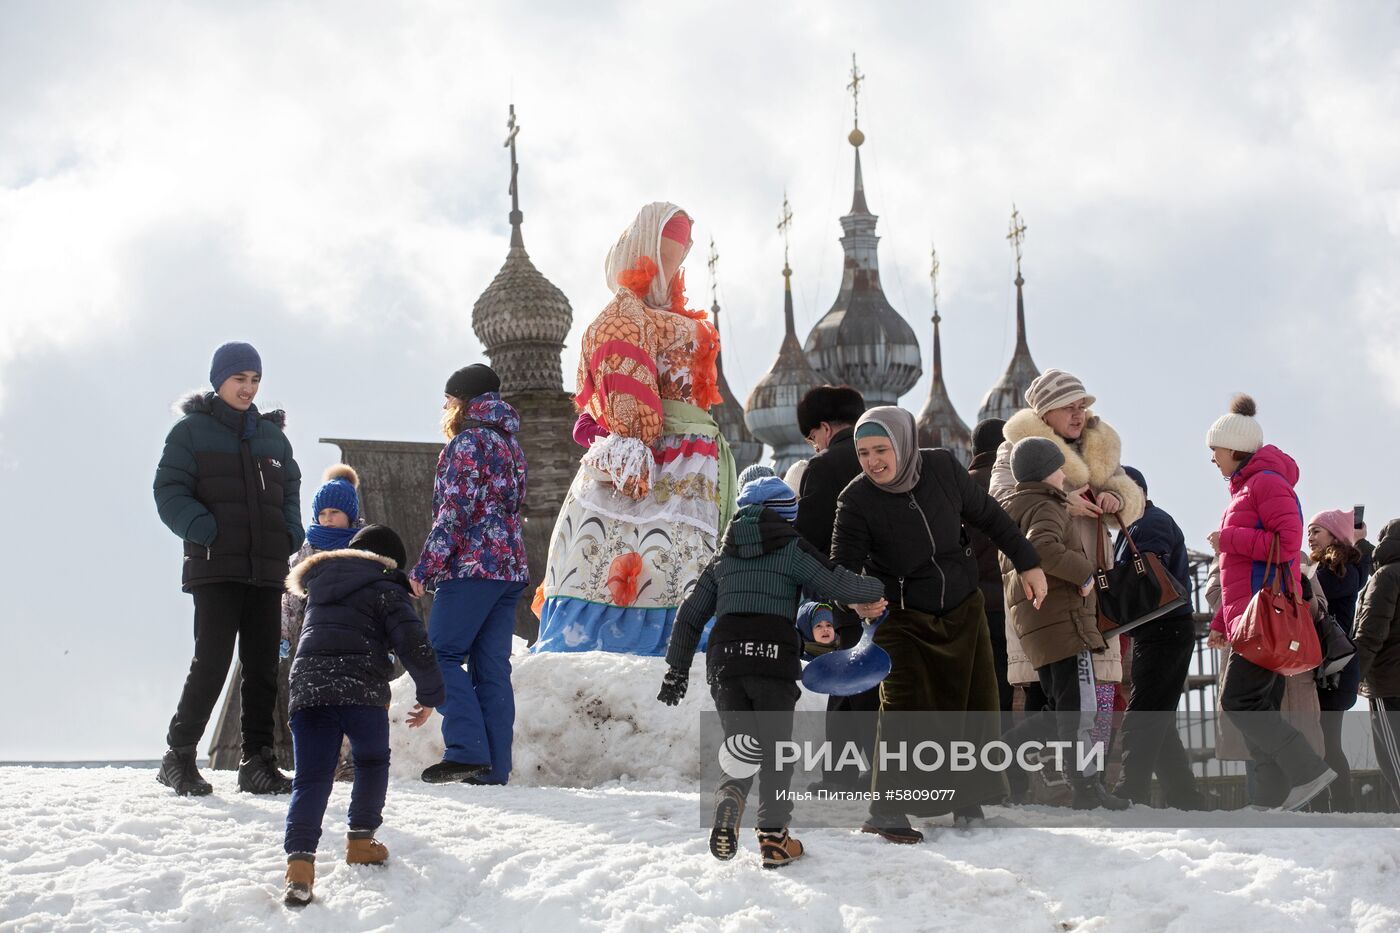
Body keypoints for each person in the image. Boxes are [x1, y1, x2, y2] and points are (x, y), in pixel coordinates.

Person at [831, 407, 1047, 842]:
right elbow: (840, 569)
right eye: (863, 453)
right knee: (903, 708)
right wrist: (855, 598)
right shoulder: (855, 500)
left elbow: (991, 517)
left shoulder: (943, 469)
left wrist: (1029, 563)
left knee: (973, 706)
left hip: (962, 606)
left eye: (881, 449)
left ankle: (968, 798)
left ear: (903, 443)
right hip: (901, 616)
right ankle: (886, 810)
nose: (873, 461)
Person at [535, 203, 735, 655]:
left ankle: (686, 629)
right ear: (645, 246)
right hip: (657, 448)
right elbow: (619, 376)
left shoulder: (664, 316)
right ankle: (626, 632)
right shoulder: (626, 315)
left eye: (680, 249)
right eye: (667, 247)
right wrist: (631, 437)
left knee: (682, 546)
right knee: (630, 543)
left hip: (691, 453)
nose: (674, 257)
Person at [658, 476, 886, 868]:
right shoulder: (791, 548)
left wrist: (676, 670)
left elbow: (690, 614)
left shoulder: (724, 557)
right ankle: (774, 838)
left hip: (726, 660)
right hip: (772, 657)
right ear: (784, 515)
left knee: (742, 744)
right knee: (776, 753)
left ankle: (731, 795)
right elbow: (837, 582)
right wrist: (879, 588)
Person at [153, 341, 302, 797]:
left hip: (267, 568)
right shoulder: (191, 432)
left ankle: (257, 761)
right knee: (213, 661)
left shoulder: (273, 438)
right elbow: (168, 490)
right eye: (240, 379)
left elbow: (291, 489)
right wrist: (207, 531)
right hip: (216, 565)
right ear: (219, 380)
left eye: (255, 380)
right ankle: (178, 756)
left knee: (262, 667)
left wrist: (290, 533)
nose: (248, 388)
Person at [281, 524, 445, 908]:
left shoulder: (320, 584)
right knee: (371, 761)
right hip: (361, 690)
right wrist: (431, 695)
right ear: (391, 561)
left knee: (311, 777)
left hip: (309, 689)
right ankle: (361, 841)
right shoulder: (386, 585)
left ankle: (299, 868)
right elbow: (413, 643)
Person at [991, 370, 1142, 771]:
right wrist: (1061, 500)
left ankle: (1081, 780)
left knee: (1085, 694)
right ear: (1044, 412)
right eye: (1068, 407)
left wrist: (1115, 498)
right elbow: (1001, 502)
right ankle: (1035, 779)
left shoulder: (1098, 447)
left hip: (1090, 584)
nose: (1078, 414)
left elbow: (1131, 496)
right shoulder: (1016, 448)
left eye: (1082, 406)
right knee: (1048, 690)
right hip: (1044, 584)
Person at [1205, 394, 1335, 810]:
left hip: (1264, 617)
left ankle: (1308, 772)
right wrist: (1222, 625)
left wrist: (1229, 539)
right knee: (1258, 705)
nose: (1212, 459)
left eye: (1215, 450)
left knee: (1238, 701)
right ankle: (1271, 799)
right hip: (1251, 617)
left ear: (1234, 449)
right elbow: (1236, 573)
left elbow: (1288, 543)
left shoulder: (1266, 483)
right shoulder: (1247, 488)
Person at [410, 364, 528, 786]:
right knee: (491, 668)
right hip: (509, 566)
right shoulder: (510, 444)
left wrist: (425, 566)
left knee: (438, 656)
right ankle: (493, 768)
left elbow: (454, 512)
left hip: (472, 566)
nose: (445, 406)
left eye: (448, 399)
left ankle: (465, 752)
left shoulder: (467, 442)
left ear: (462, 400)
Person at [996, 438, 1129, 810]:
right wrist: (1085, 572)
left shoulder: (1014, 509)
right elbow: (1042, 548)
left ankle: (1003, 750)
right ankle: (1086, 789)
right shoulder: (1047, 505)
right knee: (1081, 710)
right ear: (1045, 473)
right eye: (1058, 468)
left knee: (1060, 711)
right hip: (1064, 622)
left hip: (1039, 626)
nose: (1063, 475)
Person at [791, 385, 873, 791]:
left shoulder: (823, 467)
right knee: (857, 681)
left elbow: (808, 537)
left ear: (824, 428)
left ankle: (861, 772)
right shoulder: (888, 457)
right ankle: (847, 772)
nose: (815, 445)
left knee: (855, 681)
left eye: (813, 437)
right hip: (896, 588)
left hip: (847, 590)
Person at [1110, 467, 1202, 809]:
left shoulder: (1151, 522)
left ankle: (1130, 791)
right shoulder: (1134, 526)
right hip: (1158, 629)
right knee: (1158, 718)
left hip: (1165, 628)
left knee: (1143, 714)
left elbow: (1148, 571)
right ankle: (1187, 799)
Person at [1307, 508, 1369, 811]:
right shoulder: (1332, 568)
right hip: (1329, 668)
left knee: (1326, 742)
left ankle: (1340, 808)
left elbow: (1310, 594)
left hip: (1335, 669)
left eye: (1316, 530)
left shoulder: (1338, 570)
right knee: (1322, 741)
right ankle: (1331, 808)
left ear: (1334, 536)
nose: (1309, 537)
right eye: (1308, 531)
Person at [967, 419, 1014, 718]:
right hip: (1014, 604)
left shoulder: (961, 487)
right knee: (1012, 688)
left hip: (973, 605)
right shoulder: (1016, 485)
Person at [1355, 519, 1400, 808]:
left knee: (1394, 760)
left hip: (1389, 683)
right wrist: (1361, 544)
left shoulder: (1386, 577)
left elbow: (1371, 633)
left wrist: (1353, 676)